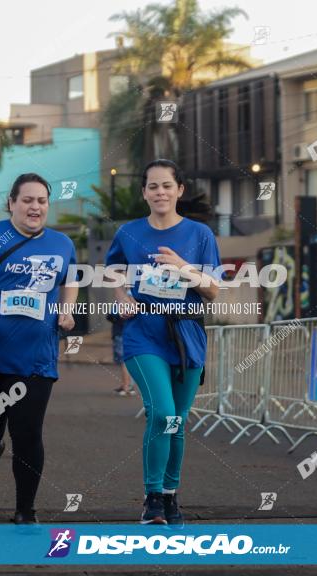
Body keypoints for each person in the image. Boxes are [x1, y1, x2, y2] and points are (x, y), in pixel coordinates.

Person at [0, 172, 78, 524]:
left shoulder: (62, 244)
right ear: (11, 203)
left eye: (41, 201)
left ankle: (25, 511)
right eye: (27, 200)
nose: (35, 207)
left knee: (28, 434)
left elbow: (70, 281)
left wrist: (67, 311)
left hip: (36, 359)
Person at [104, 159, 222, 526]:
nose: (160, 192)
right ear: (144, 193)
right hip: (144, 333)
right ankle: (152, 496)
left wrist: (183, 267)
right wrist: (122, 297)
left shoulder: (200, 235)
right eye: (153, 186)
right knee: (163, 413)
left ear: (179, 190)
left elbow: (214, 291)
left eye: (167, 186)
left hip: (187, 335)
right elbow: (110, 273)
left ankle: (170, 496)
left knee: (178, 421)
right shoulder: (128, 233)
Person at [106, 311, 135, 396]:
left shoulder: (121, 301)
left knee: (124, 361)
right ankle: (128, 386)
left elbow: (111, 316)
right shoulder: (136, 301)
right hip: (131, 334)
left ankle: (126, 386)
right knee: (129, 360)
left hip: (121, 333)